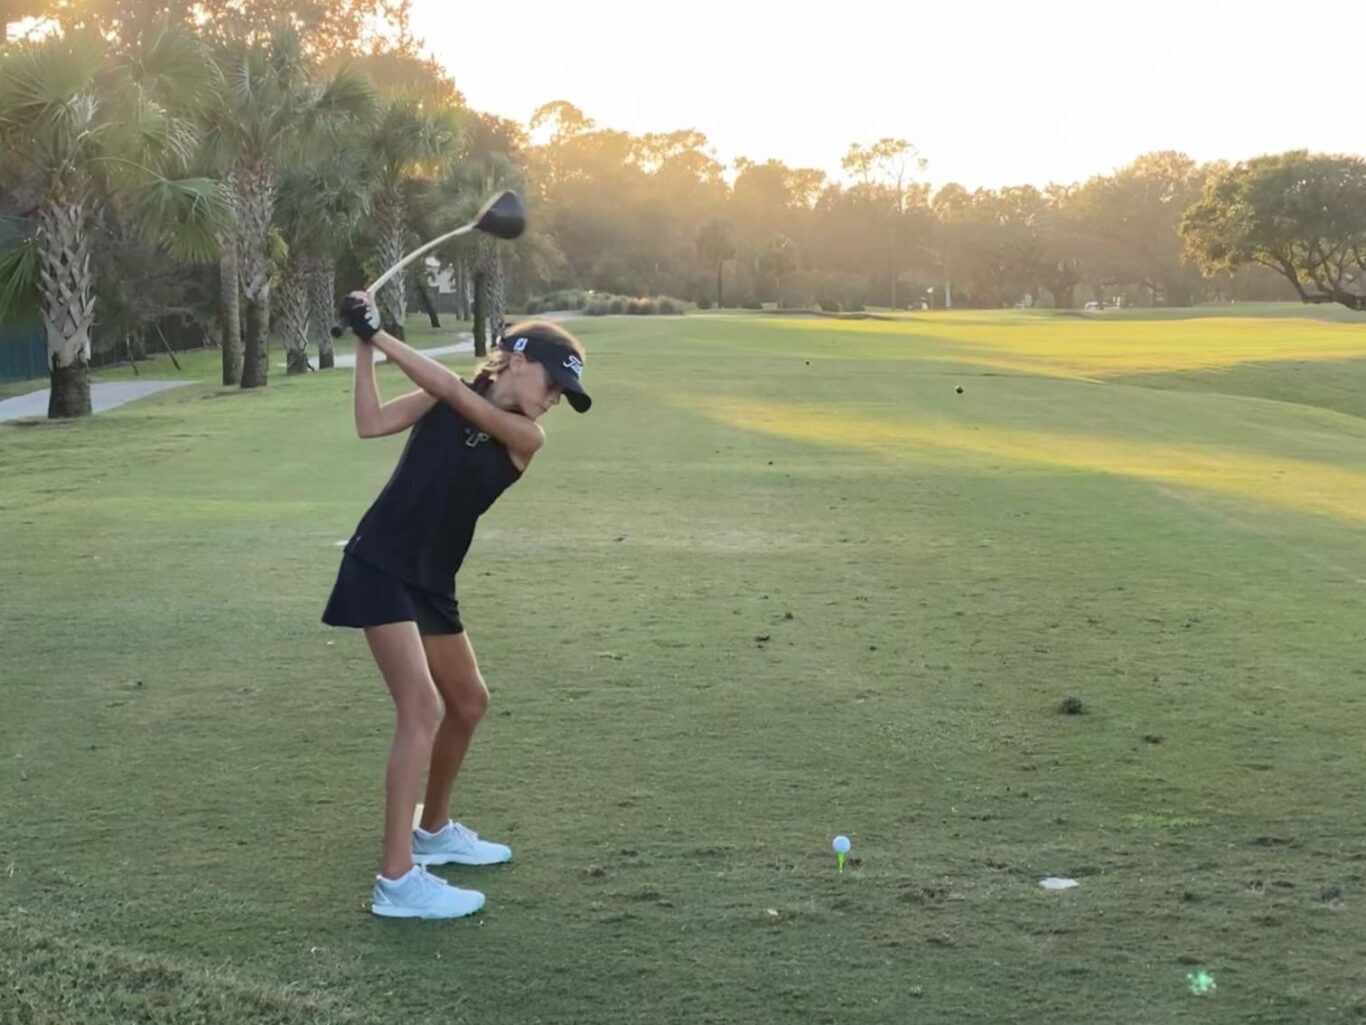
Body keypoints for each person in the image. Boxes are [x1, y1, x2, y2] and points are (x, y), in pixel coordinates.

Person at [323, 291, 591, 919]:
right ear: (517, 361)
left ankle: (433, 830)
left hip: (432, 579)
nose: (555, 399)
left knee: (468, 702)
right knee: (422, 708)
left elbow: (454, 392)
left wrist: (380, 334)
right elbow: (370, 422)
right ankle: (397, 881)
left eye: (563, 396)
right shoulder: (444, 397)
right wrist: (366, 347)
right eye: (554, 383)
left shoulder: (526, 437)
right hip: (380, 562)